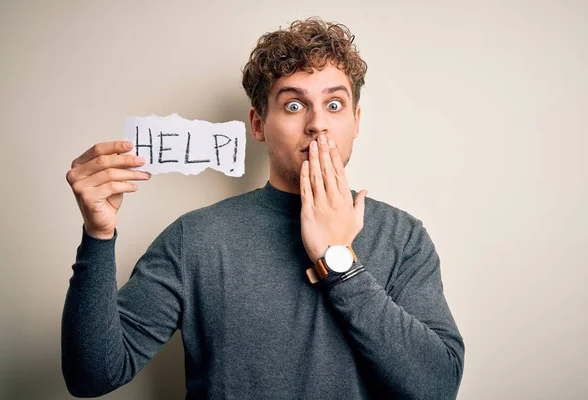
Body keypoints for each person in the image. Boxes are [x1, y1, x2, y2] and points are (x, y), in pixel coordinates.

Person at [62, 18, 465, 399]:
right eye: (293, 105)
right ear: (258, 124)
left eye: (335, 105)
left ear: (356, 121)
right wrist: (98, 236)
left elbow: (437, 387)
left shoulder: (404, 236)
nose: (317, 124)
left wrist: (338, 262)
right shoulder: (196, 239)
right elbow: (92, 376)